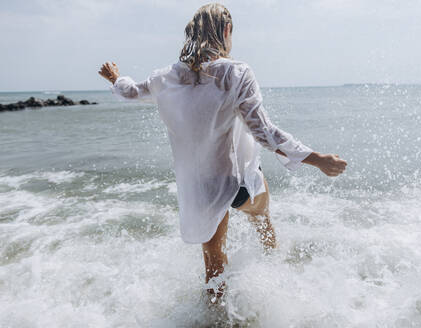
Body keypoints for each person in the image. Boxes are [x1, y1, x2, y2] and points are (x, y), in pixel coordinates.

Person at [98, 3, 347, 301]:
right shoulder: (236, 73)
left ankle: (213, 319)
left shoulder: (165, 77)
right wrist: (317, 159)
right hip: (239, 186)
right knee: (262, 218)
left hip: (201, 189)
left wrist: (115, 78)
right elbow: (265, 133)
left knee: (214, 270)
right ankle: (278, 273)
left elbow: (131, 92)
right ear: (226, 31)